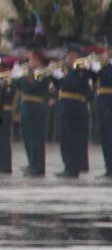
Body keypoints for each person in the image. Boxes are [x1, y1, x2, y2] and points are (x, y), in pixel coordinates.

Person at [54, 45, 94, 177]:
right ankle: (68, 166)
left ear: (76, 56)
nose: (68, 58)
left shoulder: (81, 70)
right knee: (65, 139)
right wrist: (56, 78)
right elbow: (62, 88)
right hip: (66, 107)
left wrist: (62, 78)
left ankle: (73, 168)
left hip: (75, 108)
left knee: (73, 139)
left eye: (70, 55)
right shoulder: (70, 70)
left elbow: (75, 86)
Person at [11, 57, 53, 177]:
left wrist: (22, 77)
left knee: (36, 140)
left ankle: (38, 167)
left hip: (36, 109)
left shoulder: (42, 73)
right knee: (28, 138)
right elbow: (18, 85)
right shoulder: (31, 74)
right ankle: (32, 163)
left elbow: (30, 87)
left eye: (32, 60)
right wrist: (15, 76)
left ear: (38, 61)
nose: (29, 63)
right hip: (27, 108)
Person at [94, 53, 112, 178]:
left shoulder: (107, 67)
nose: (106, 52)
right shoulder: (105, 66)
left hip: (110, 103)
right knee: (105, 138)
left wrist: (101, 68)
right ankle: (108, 167)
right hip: (102, 104)